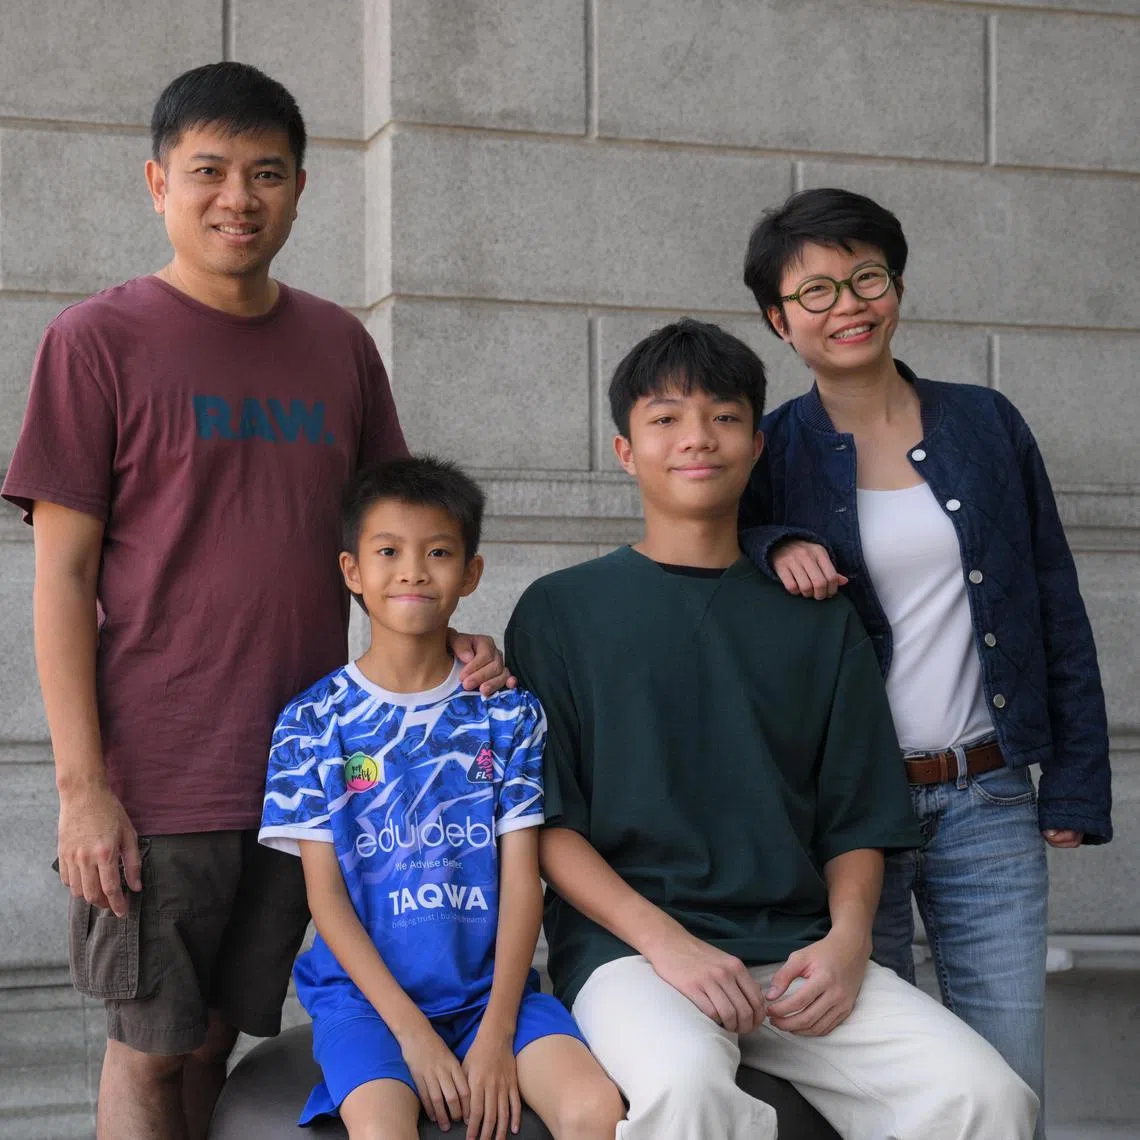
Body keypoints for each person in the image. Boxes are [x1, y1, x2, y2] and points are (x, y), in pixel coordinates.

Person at [2, 63, 508, 1140]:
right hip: (161, 774)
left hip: (311, 774)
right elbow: (62, 577)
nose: (239, 196)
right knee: (147, 1050)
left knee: (218, 1043)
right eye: (209, 171)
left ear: (300, 188)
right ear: (157, 183)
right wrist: (83, 789)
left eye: (265, 173)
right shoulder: (97, 342)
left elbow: (395, 531)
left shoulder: (338, 345)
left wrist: (444, 629)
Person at [504, 318, 1038, 1140]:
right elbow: (548, 825)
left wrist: (850, 941)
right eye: (666, 419)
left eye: (723, 418)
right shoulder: (559, 611)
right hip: (631, 954)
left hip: (797, 951)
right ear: (624, 450)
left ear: (757, 446)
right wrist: (669, 945)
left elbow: (856, 815)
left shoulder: (819, 619)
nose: (697, 440)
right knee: (684, 1088)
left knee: (985, 1096)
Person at [739, 186, 1113, 1138]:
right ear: (780, 322)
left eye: (866, 277)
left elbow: (1053, 600)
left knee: (1005, 1077)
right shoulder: (773, 446)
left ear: (896, 287)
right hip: (846, 819)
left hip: (984, 794)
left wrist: (1076, 781)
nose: (847, 305)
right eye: (815, 292)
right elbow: (707, 553)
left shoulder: (985, 425)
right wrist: (774, 538)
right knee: (879, 1083)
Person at [259, 457, 626, 1140]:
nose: (412, 571)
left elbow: (524, 881)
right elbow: (326, 899)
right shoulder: (311, 724)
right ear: (351, 572)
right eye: (389, 552)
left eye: (437, 552)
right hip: (367, 1004)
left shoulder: (508, 714)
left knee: (595, 1110)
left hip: (492, 992)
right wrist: (414, 1038)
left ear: (471, 572)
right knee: (383, 1131)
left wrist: (497, 1033)